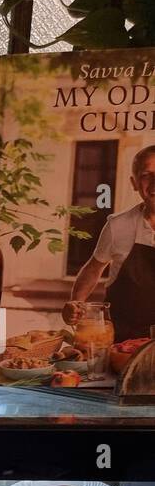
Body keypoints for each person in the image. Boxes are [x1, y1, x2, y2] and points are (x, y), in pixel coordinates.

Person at [64, 144, 155, 342]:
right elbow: (93, 269)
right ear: (134, 183)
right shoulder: (118, 225)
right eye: (147, 175)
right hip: (122, 341)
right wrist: (75, 303)